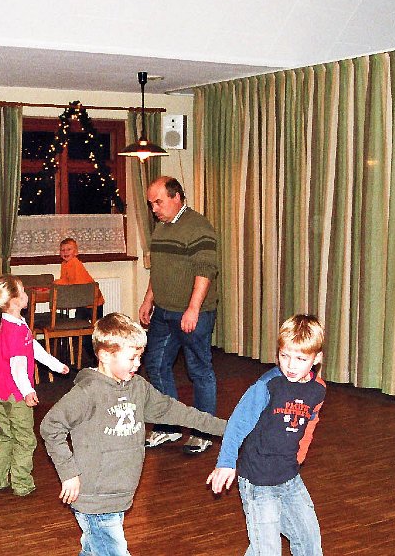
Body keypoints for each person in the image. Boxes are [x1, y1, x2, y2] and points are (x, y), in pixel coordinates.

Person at [40, 312, 227, 555]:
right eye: (131, 358)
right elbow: (51, 426)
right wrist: (69, 473)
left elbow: (177, 412)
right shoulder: (87, 392)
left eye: (140, 356)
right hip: (94, 497)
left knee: (95, 549)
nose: (138, 364)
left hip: (120, 493)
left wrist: (228, 429)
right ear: (105, 355)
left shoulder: (138, 388)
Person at [207, 314, 327, 556]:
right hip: (258, 481)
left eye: (301, 359)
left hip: (290, 478)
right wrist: (226, 462)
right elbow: (237, 424)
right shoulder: (267, 386)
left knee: (310, 543)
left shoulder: (318, 390)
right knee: (267, 550)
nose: (291, 365)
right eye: (285, 356)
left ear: (316, 358)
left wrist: (299, 457)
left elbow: (311, 422)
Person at [139, 176, 220, 454]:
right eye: (151, 204)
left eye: (158, 202)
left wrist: (193, 308)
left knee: (199, 370)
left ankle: (203, 431)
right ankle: (168, 426)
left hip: (193, 313)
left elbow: (205, 270)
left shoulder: (198, 227)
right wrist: (148, 300)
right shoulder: (161, 228)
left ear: (176, 197)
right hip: (163, 312)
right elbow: (159, 270)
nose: (154, 209)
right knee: (155, 364)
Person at [0, 274, 69, 496]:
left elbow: (32, 347)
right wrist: (27, 391)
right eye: (24, 291)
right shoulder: (15, 330)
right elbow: (18, 366)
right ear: (15, 301)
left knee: (7, 434)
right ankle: (22, 484)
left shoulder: (12, 323)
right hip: (15, 396)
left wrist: (56, 365)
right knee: (25, 439)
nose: (27, 294)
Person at [55, 237, 104, 367]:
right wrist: (59, 283)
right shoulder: (64, 264)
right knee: (83, 329)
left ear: (76, 252)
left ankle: (99, 357)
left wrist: (57, 283)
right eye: (62, 250)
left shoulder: (75, 263)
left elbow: (73, 283)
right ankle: (91, 357)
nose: (65, 252)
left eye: (69, 249)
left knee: (96, 331)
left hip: (94, 302)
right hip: (83, 302)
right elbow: (66, 280)